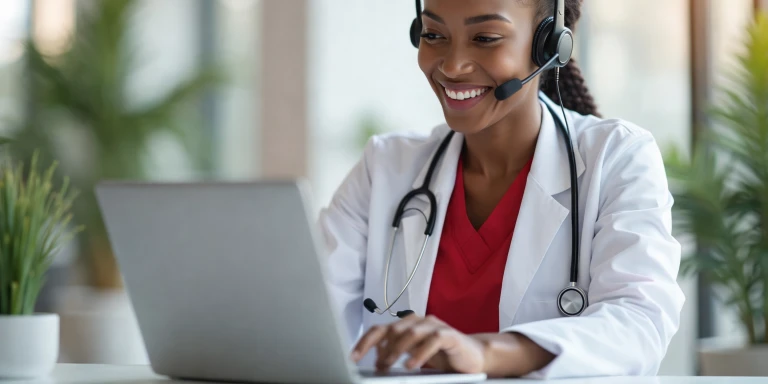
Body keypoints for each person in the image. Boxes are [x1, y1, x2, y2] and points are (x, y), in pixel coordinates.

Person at [317, 0, 685, 379]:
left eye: (485, 38)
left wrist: (484, 352)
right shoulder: (385, 166)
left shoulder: (617, 157)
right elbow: (305, 314)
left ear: (548, 44)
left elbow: (639, 323)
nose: (451, 66)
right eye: (433, 35)